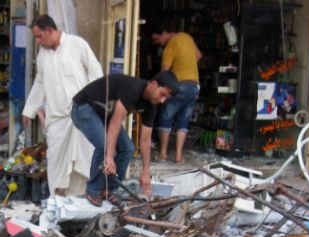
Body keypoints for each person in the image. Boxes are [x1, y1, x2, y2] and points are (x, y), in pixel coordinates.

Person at [21, 15, 103, 197]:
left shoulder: (77, 45)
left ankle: (81, 198)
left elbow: (96, 73)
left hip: (82, 116)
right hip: (57, 119)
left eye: (39, 36)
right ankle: (57, 201)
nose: (38, 41)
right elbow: (40, 83)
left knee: (83, 160)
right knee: (56, 161)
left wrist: (92, 104)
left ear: (49, 31)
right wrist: (29, 110)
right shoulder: (42, 56)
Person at [71, 71, 179, 205]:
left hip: (104, 116)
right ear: (153, 84)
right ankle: (93, 190)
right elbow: (115, 122)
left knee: (128, 148)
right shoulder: (132, 88)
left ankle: (109, 190)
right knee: (105, 146)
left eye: (166, 98)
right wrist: (109, 156)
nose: (162, 100)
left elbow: (145, 141)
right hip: (83, 107)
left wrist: (145, 173)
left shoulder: (151, 106)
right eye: (162, 94)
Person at [150, 22, 202, 164]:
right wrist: (187, 66)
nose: (157, 43)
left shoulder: (170, 45)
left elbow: (165, 71)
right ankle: (178, 156)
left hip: (179, 85)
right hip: (195, 86)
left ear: (165, 33)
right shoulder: (187, 37)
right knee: (183, 120)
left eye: (157, 39)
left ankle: (163, 154)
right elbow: (198, 55)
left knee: (166, 117)